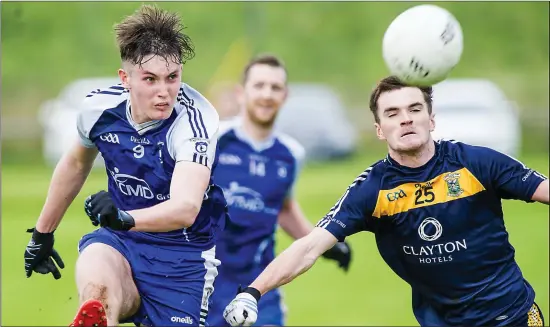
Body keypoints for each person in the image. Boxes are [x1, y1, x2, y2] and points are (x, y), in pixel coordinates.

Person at [222, 76, 549, 327]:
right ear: (380, 130)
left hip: (512, 315)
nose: (405, 119)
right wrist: (253, 291)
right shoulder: (372, 190)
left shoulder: (477, 163)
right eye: (393, 113)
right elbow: (309, 247)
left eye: (415, 109)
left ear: (431, 120)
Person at [23, 5, 228, 327]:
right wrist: (42, 234)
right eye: (150, 79)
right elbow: (76, 164)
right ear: (125, 79)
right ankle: (98, 314)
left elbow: (185, 208)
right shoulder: (98, 108)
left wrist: (122, 217)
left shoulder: (193, 124)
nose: (164, 92)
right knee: (98, 295)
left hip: (182, 257)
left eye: (172, 78)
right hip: (120, 242)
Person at [206, 54, 353, 327]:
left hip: (261, 283)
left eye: (275, 87)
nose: (267, 94)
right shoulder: (215, 140)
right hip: (206, 284)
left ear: (285, 95)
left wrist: (325, 244)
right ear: (241, 93)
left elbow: (283, 209)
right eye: (259, 86)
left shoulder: (290, 155)